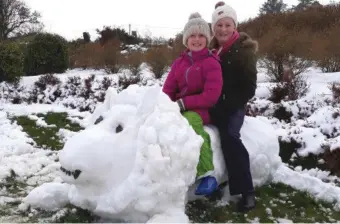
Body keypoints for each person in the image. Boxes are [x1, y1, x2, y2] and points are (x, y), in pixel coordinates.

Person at [162, 12, 223, 196]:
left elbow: (211, 96)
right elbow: (168, 89)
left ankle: (207, 174)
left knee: (191, 123)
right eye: (192, 36)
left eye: (201, 35)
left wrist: (183, 103)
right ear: (186, 39)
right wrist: (163, 104)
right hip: (179, 107)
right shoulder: (179, 63)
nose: (197, 40)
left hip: (203, 110)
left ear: (207, 38)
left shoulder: (211, 63)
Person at [209, 2, 258, 212]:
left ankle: (247, 191)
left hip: (234, 106)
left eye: (227, 24)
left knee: (230, 136)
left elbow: (249, 87)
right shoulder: (211, 50)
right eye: (219, 25)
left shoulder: (244, 51)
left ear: (234, 26)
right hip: (214, 104)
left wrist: (227, 104)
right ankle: (212, 183)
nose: (223, 29)